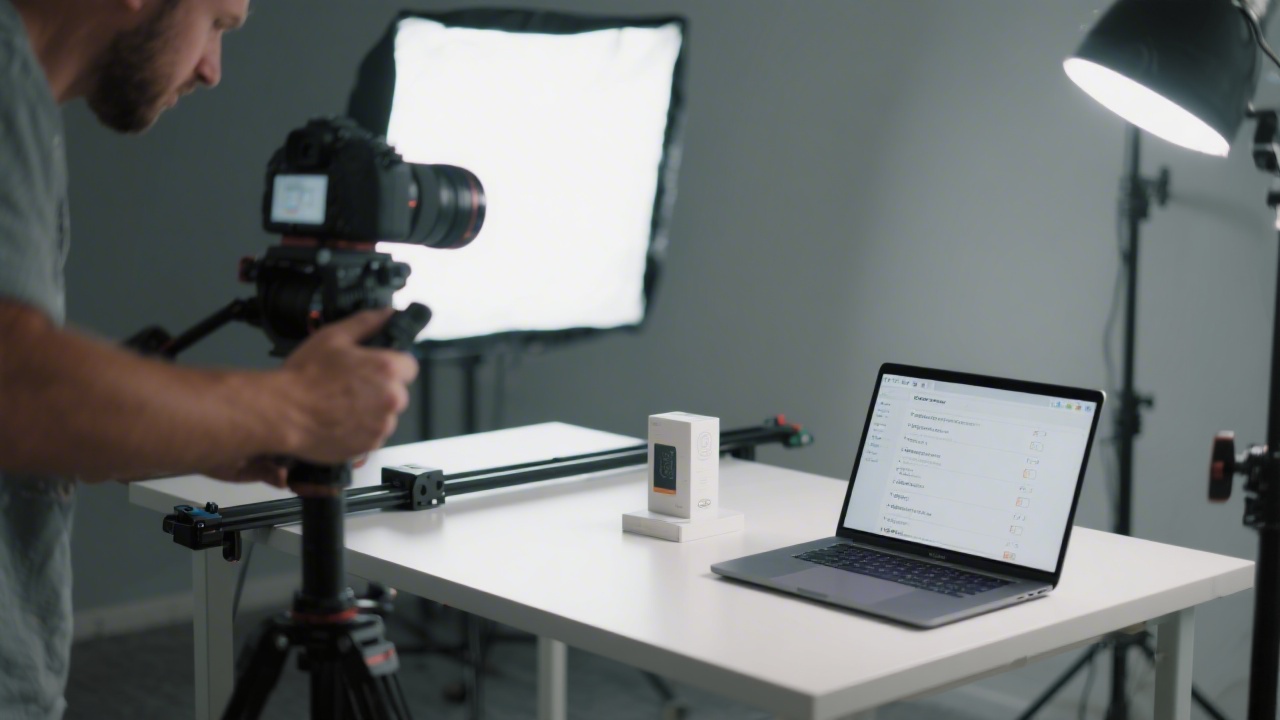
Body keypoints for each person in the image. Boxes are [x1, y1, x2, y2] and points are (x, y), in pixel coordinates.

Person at [0, 0, 420, 716]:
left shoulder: (27, 111)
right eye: (217, 23)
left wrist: (224, 432)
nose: (212, 70)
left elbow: (27, 425)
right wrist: (294, 408)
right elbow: (17, 387)